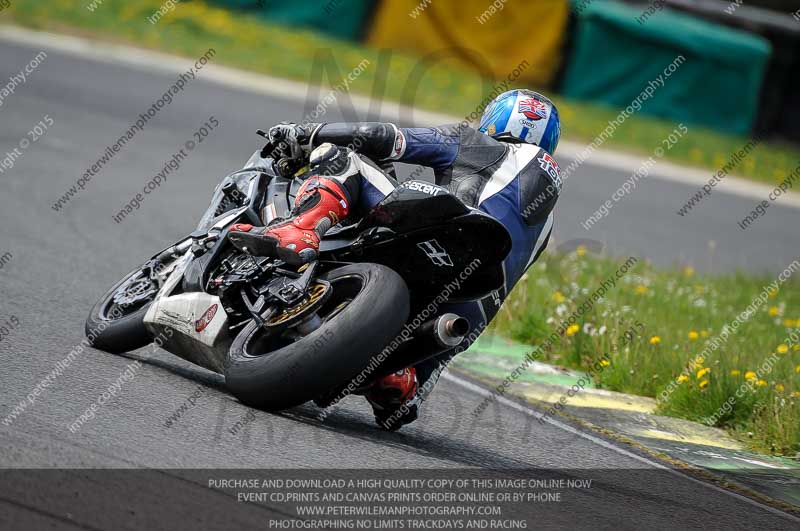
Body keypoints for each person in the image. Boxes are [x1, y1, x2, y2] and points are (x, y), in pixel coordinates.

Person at [229, 89, 562, 430]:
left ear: (495, 120)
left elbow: (383, 137)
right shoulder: (546, 224)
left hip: (447, 234)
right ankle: (404, 380)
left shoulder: (477, 143)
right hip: (470, 305)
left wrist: (306, 133)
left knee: (345, 158)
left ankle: (301, 228)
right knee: (426, 367)